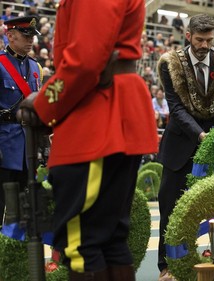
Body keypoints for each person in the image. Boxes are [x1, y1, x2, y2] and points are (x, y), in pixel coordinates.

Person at [17, 1, 159, 280]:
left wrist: (45, 105)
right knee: (108, 241)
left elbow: (84, 61)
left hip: (97, 116)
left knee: (82, 243)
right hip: (110, 110)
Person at [156, 13, 214, 281]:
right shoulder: (170, 64)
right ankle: (166, 266)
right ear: (188, 36)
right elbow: (177, 109)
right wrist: (201, 135)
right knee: (169, 206)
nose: (204, 45)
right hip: (181, 147)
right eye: (200, 39)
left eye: (209, 39)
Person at [0, 16, 42, 226]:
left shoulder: (36, 68)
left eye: (32, 36)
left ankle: (17, 254)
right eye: (25, 35)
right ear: (9, 35)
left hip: (28, 148)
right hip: (4, 145)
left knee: (24, 210)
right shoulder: (0, 64)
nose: (30, 40)